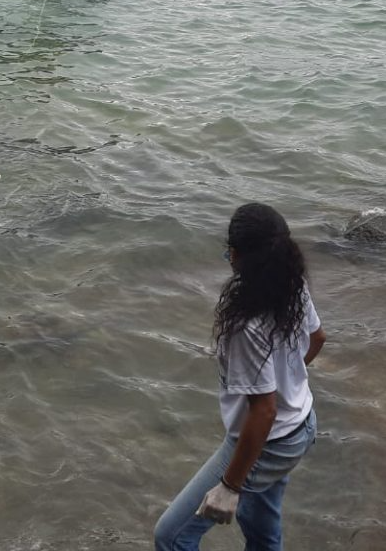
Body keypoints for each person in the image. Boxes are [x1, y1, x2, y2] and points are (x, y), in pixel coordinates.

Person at [154, 202, 326, 551]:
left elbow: (263, 411)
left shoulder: (245, 326)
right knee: (262, 533)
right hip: (303, 424)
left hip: (269, 441)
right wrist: (289, 380)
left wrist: (230, 486)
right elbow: (317, 339)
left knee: (171, 537)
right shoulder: (292, 285)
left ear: (236, 255)